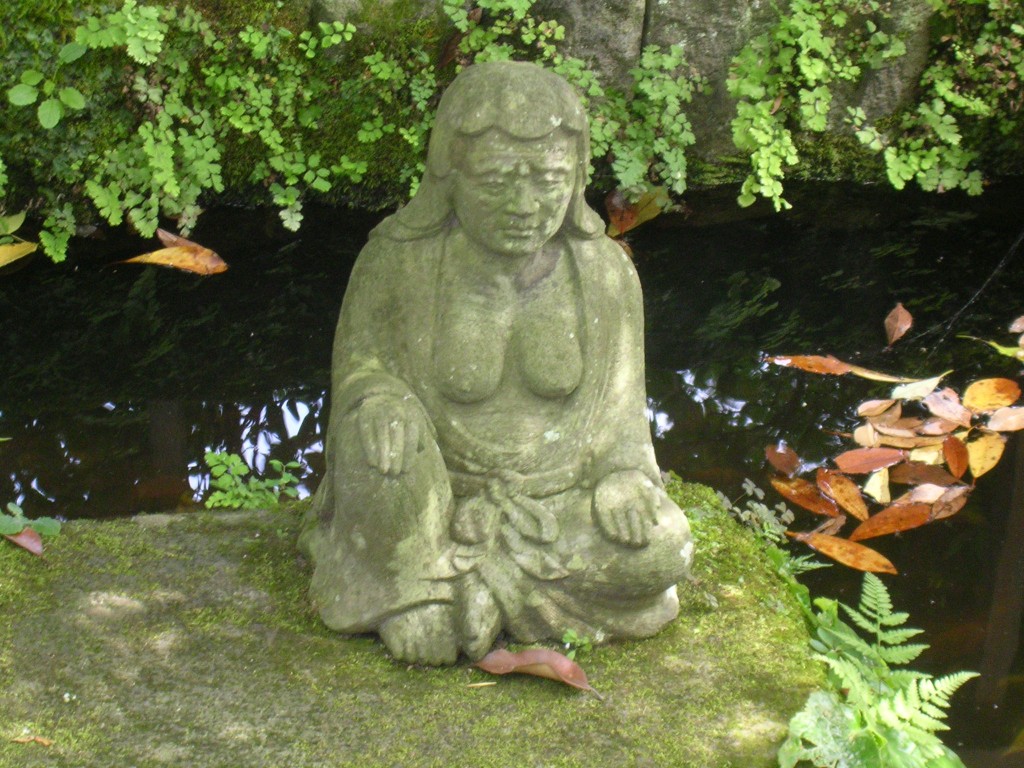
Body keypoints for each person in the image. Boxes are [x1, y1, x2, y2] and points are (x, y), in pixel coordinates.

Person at [300, 61, 693, 665]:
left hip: (553, 503)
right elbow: (360, 370)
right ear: (449, 176)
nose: (524, 204)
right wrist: (376, 400)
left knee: (664, 547)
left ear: (578, 178)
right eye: (497, 180)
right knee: (379, 445)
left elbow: (621, 412)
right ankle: (418, 579)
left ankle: (453, 590)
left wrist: (621, 476)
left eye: (549, 180)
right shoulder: (395, 263)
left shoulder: (605, 274)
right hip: (432, 499)